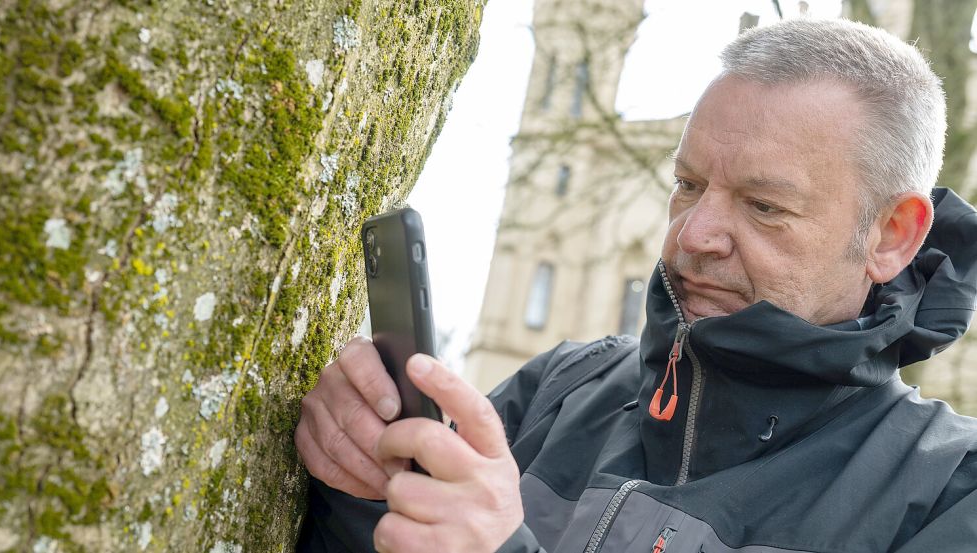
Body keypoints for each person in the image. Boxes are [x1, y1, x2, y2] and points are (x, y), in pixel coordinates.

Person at [295, 18, 977, 553]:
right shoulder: (558, 389)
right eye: (686, 185)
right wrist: (355, 488)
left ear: (891, 235)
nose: (692, 234)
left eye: (763, 205)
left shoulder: (948, 493)